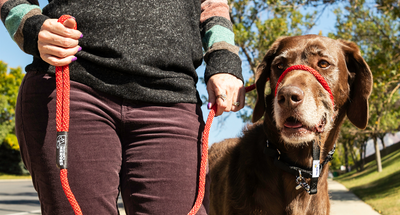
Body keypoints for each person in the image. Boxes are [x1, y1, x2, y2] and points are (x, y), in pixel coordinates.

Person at [0, 0, 244, 214]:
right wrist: (31, 27)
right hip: (71, 84)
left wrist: (224, 58)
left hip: (172, 98)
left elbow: (213, 6)